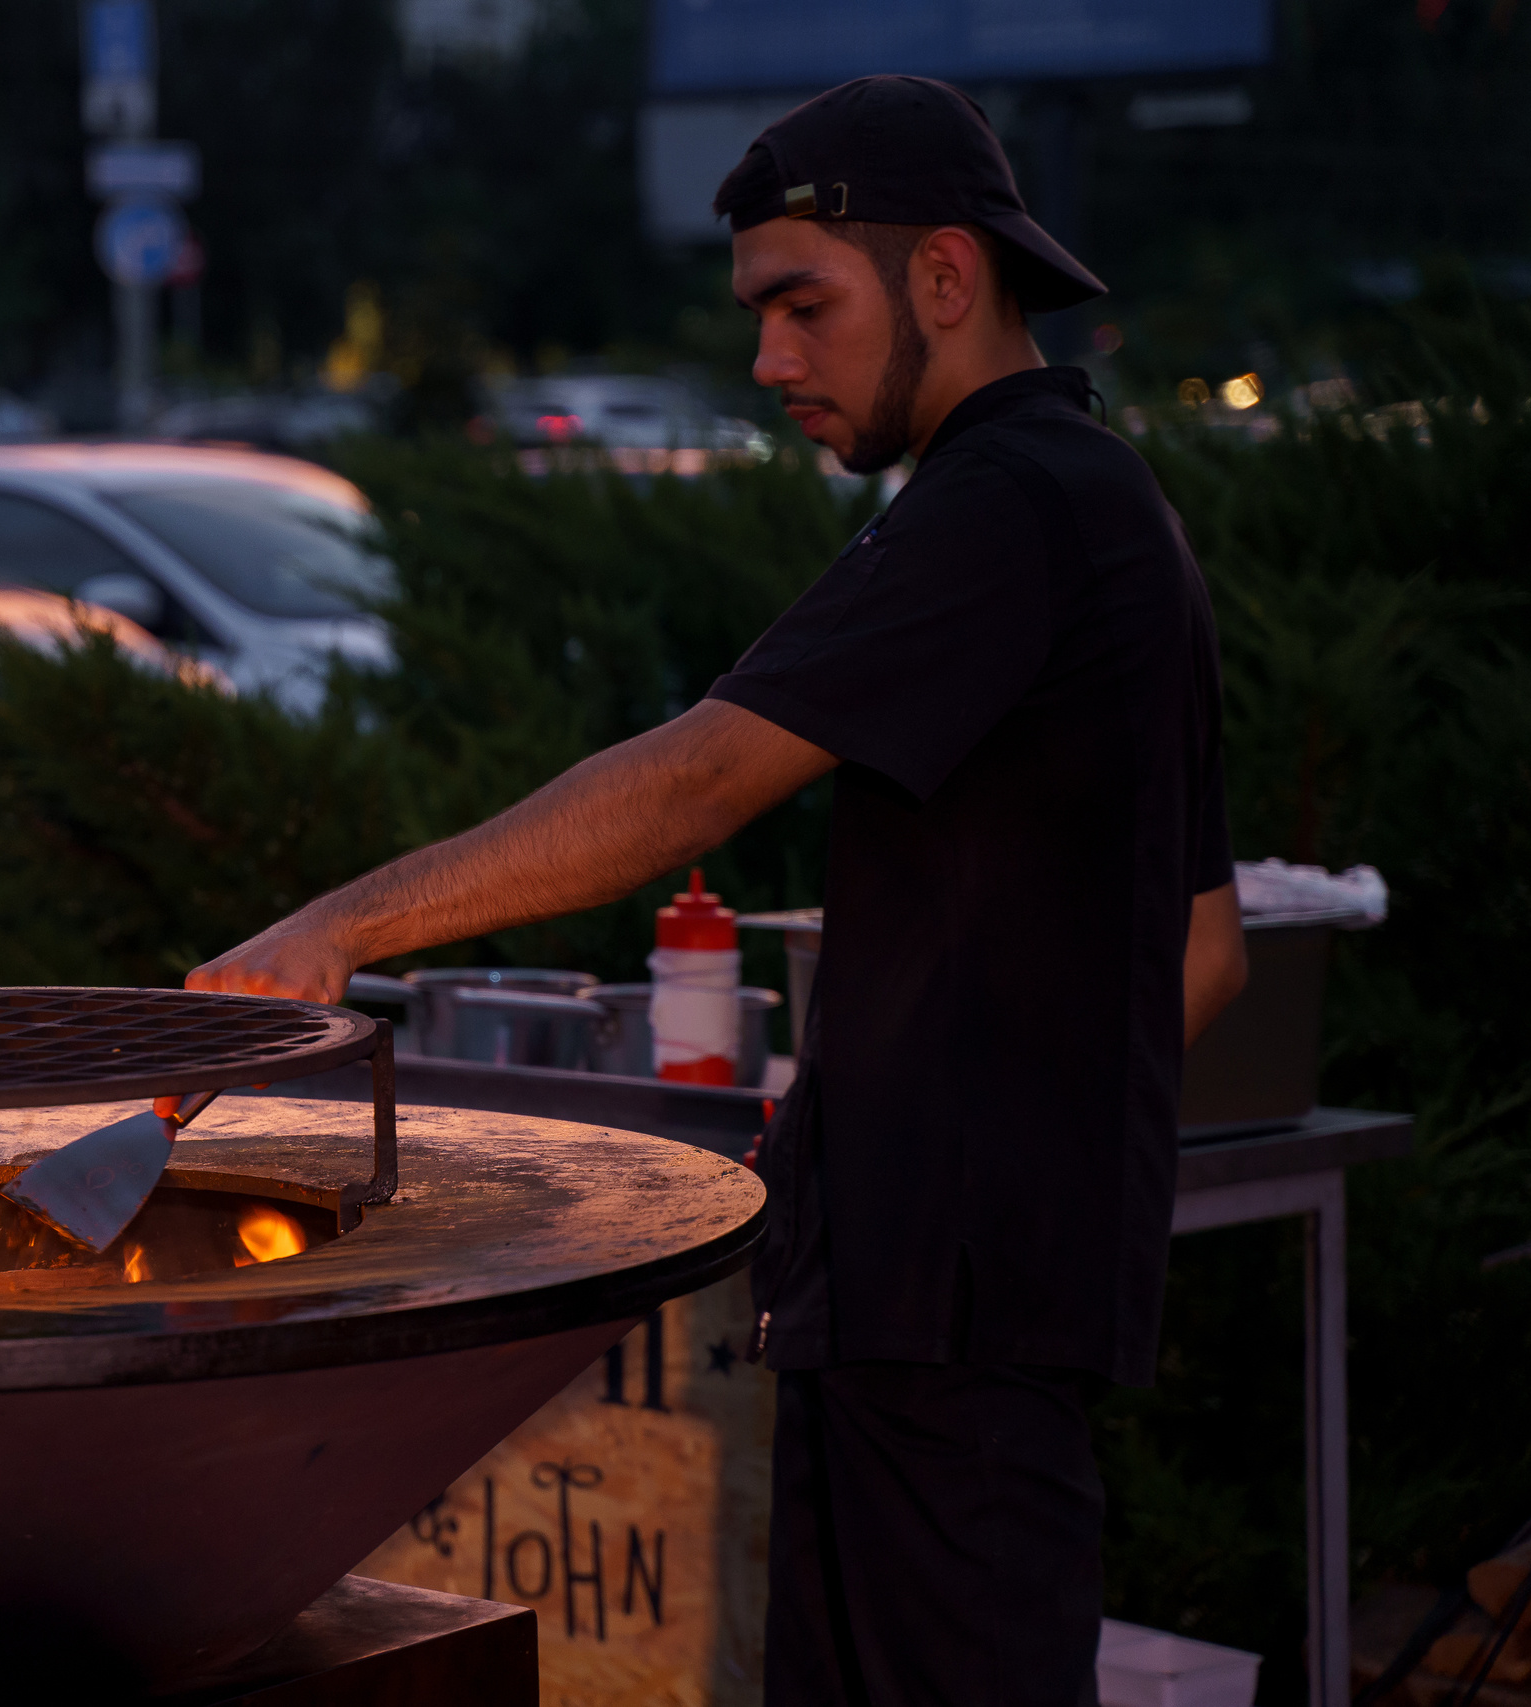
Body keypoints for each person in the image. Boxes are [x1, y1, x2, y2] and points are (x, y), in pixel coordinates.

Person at [186, 77, 1249, 1706]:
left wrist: (338, 928)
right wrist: (961, 1110)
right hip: (973, 1298)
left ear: (947, 279)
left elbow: (695, 779)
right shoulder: (1107, 509)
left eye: (801, 307)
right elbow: (1208, 950)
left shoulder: (1008, 505)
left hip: (939, 1317)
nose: (768, 365)